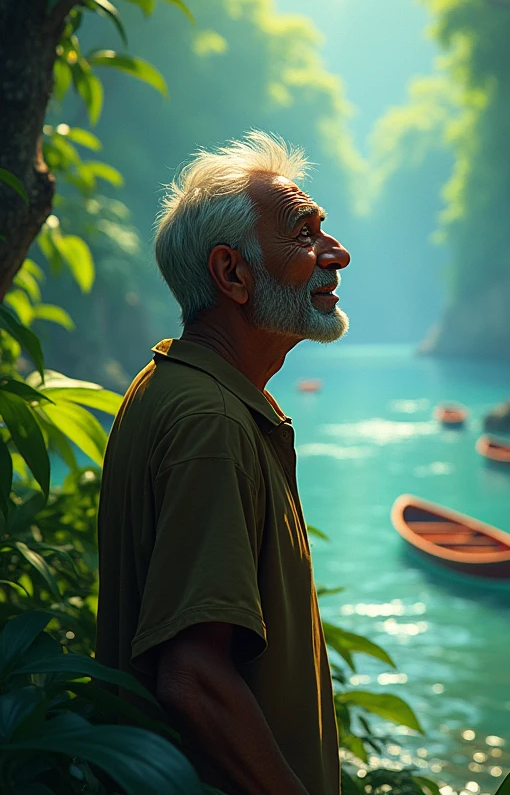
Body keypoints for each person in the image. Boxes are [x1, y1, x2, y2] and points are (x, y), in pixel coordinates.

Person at [96, 131, 351, 795]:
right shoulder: (211, 421)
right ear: (232, 274)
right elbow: (195, 679)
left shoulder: (174, 387)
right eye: (304, 233)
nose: (336, 252)